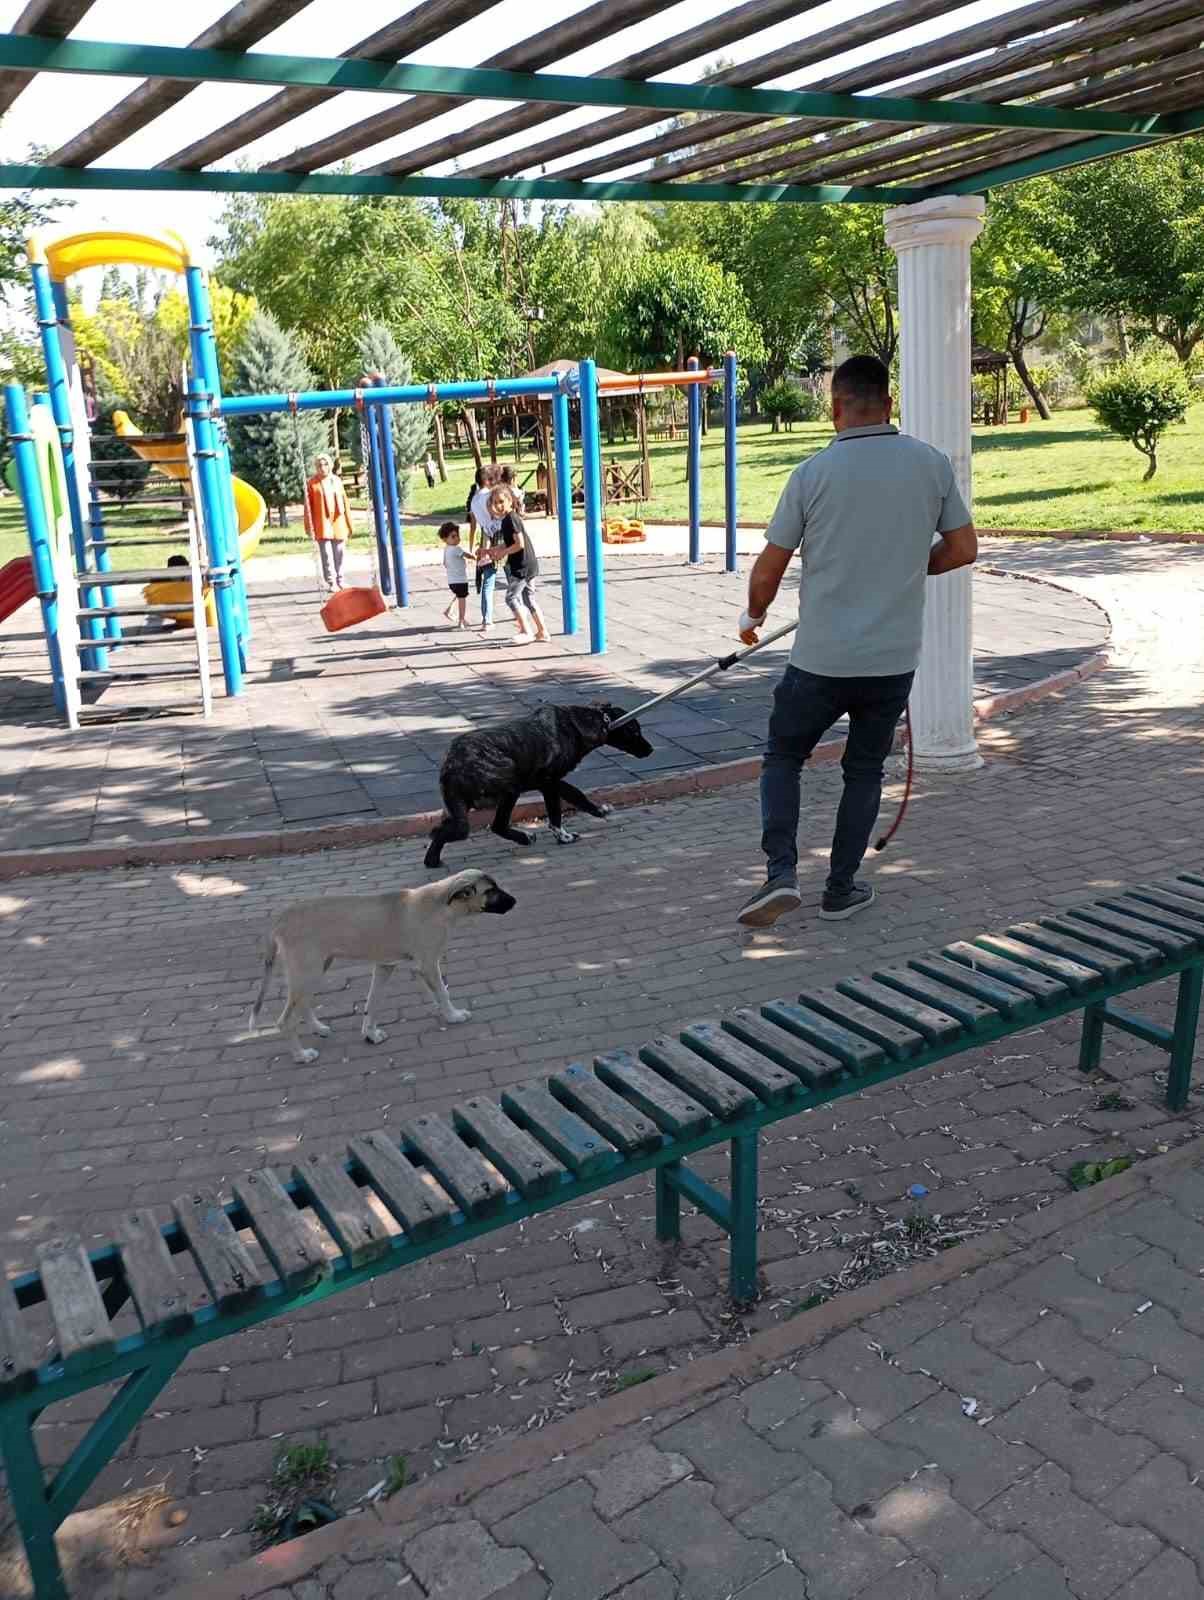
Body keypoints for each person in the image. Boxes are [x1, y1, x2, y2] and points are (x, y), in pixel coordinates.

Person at [736, 354, 978, 930]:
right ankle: (840, 889)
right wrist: (910, 568)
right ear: (888, 404)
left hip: (819, 659)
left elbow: (769, 569)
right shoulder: (931, 465)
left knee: (783, 755)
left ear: (835, 407)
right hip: (891, 661)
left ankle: (781, 873)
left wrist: (752, 616)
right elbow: (964, 548)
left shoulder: (812, 474)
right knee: (864, 769)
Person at [489, 484, 549, 646]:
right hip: (529, 563)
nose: (498, 506)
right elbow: (510, 542)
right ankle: (543, 631)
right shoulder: (509, 519)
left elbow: (519, 544)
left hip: (522, 565)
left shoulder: (510, 520)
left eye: (501, 501)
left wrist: (503, 553)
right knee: (528, 598)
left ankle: (526, 631)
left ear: (510, 501)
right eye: (495, 503)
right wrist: (494, 549)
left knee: (511, 597)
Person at [306, 453, 354, 592]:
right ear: (316, 467)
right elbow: (308, 507)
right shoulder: (313, 483)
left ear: (330, 465)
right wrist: (309, 526)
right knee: (326, 554)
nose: (323, 467)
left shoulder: (337, 481)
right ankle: (331, 581)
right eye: (319, 465)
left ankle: (341, 579)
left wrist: (349, 523)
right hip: (322, 522)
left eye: (325, 464)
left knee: (340, 552)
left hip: (337, 521)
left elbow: (345, 502)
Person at [468, 464, 502, 631]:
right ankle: (522, 611)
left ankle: (486, 619)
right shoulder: (491, 496)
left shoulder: (474, 500)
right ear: (488, 480)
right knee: (515, 576)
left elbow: (476, 524)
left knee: (488, 581)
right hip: (501, 536)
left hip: (486, 537)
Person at [439, 521, 470, 628]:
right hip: (460, 580)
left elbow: (444, 563)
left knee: (458, 596)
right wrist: (475, 557)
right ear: (444, 539)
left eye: (457, 536)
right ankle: (461, 620)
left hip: (451, 581)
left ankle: (449, 610)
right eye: (453, 536)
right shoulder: (457, 549)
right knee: (462, 599)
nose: (457, 538)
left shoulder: (446, 549)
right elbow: (467, 555)